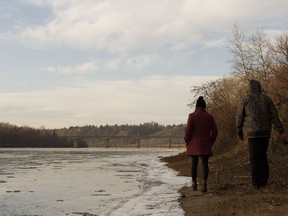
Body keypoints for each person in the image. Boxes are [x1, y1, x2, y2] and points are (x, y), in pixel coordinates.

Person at [236, 79, 285, 189]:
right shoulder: (267, 99)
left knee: (254, 158)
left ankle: (256, 182)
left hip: (253, 133)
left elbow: (239, 116)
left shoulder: (246, 99)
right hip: (265, 133)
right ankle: (264, 180)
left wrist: (239, 131)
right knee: (263, 155)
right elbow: (274, 116)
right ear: (259, 87)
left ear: (249, 88)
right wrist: (281, 131)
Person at [184, 96, 218, 192]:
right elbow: (215, 131)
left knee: (194, 164)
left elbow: (187, 131)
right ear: (205, 106)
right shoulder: (210, 117)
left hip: (194, 143)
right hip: (205, 143)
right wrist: (210, 141)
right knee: (205, 164)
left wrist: (187, 141)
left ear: (196, 106)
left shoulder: (192, 116)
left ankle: (194, 184)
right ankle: (204, 183)